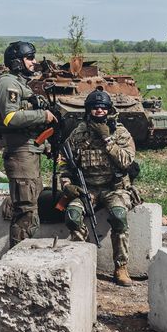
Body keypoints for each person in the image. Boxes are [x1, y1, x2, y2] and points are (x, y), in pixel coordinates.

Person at [60, 88, 139, 286]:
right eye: (95, 108)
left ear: (108, 109)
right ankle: (80, 262)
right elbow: (65, 163)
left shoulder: (119, 133)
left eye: (103, 108)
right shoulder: (79, 133)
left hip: (115, 188)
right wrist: (67, 185)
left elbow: (126, 161)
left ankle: (121, 267)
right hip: (88, 189)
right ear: (88, 110)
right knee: (72, 215)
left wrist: (107, 140)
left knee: (119, 216)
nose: (99, 111)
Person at [0, 40, 58, 249]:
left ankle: (22, 256)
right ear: (17, 62)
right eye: (30, 58)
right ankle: (16, 261)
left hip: (29, 151)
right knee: (25, 210)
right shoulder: (8, 84)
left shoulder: (19, 83)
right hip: (20, 154)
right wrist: (42, 115)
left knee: (31, 207)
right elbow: (10, 118)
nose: (34, 62)